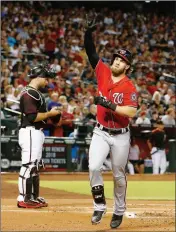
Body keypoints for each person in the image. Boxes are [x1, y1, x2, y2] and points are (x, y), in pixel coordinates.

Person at [84, 14, 138, 229]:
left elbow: (131, 112)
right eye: (116, 58)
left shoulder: (129, 87)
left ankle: (119, 211)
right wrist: (88, 33)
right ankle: (99, 205)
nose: (116, 61)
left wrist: (109, 105)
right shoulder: (103, 72)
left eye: (121, 61)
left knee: (118, 175)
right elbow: (91, 52)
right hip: (100, 131)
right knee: (94, 166)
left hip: (121, 135)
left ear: (127, 67)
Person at [17, 63, 61, 208]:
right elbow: (32, 117)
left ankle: (33, 196)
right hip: (30, 130)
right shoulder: (30, 93)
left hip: (36, 131)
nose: (48, 82)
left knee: (35, 166)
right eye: (46, 79)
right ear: (40, 76)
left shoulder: (33, 92)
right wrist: (50, 113)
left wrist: (52, 114)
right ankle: (24, 198)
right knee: (29, 165)